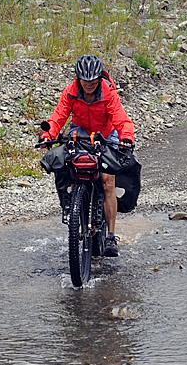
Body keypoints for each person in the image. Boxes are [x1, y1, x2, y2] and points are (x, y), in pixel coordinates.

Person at [40, 54, 135, 256]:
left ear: (99, 78)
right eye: (85, 81)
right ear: (78, 78)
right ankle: (71, 205)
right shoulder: (71, 92)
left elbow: (121, 119)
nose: (89, 85)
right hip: (80, 131)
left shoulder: (108, 93)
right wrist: (48, 135)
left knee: (108, 182)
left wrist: (126, 137)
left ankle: (110, 236)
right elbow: (58, 116)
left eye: (93, 81)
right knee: (66, 165)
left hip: (106, 133)